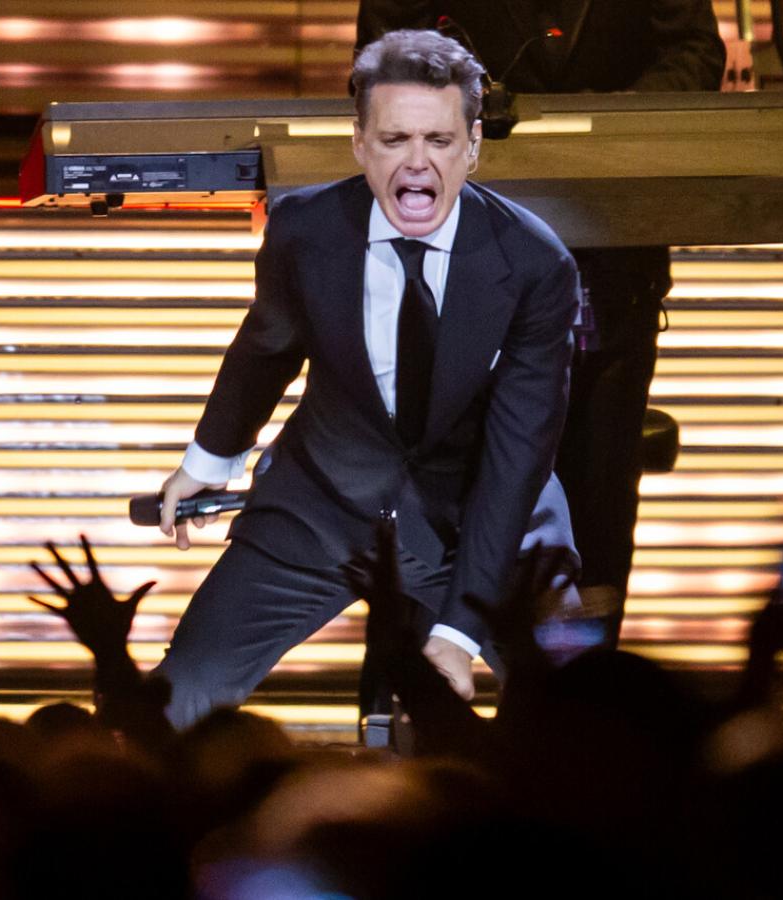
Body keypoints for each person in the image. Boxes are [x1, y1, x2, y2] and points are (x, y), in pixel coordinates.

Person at [153, 29, 580, 728]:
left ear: (473, 146)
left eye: (438, 141)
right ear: (359, 144)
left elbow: (517, 454)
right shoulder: (306, 230)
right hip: (321, 507)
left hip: (481, 520)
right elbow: (266, 348)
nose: (417, 162)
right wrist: (208, 461)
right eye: (394, 140)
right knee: (174, 704)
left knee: (581, 719)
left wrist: (457, 633)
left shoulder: (535, 263)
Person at [357, 1, 726, 644]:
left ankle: (579, 692)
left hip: (611, 262)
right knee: (432, 498)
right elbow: (382, 56)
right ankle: (424, 689)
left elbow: (695, 53)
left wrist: (602, 121)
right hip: (459, 262)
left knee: (597, 504)